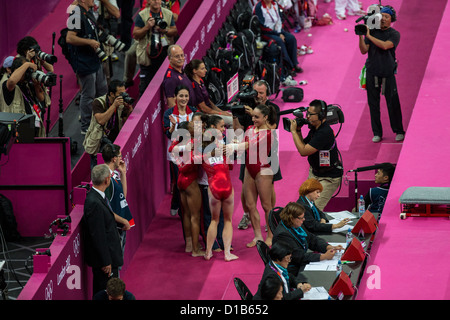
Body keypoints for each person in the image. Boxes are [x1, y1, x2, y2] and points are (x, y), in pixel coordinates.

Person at [237, 80, 281, 231]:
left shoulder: (273, 108)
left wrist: (254, 114)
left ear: (267, 94)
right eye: (256, 92)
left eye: (261, 93)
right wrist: (236, 114)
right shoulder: (246, 108)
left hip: (268, 155)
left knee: (269, 187)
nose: (258, 96)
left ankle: (271, 218)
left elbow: (272, 129)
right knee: (245, 187)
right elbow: (238, 130)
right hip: (250, 154)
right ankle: (247, 214)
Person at [358, 5, 405, 143]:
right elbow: (363, 50)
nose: (383, 19)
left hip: (388, 73)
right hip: (372, 73)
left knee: (393, 103)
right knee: (373, 105)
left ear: (392, 19)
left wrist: (368, 36)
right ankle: (377, 132)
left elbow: (385, 45)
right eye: (381, 16)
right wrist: (361, 36)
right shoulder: (371, 32)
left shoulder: (394, 34)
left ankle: (399, 130)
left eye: (386, 17)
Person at [82, 164, 130, 297]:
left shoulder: (98, 197)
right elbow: (97, 234)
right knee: (105, 293)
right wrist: (105, 261)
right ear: (107, 180)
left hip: (108, 258)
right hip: (105, 263)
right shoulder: (94, 203)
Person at [234, 104, 276, 248]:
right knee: (251, 205)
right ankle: (258, 236)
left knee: (267, 206)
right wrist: (236, 143)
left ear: (265, 118)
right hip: (249, 169)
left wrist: (234, 146)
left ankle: (270, 235)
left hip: (263, 170)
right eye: (253, 116)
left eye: (257, 117)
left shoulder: (268, 133)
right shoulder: (250, 129)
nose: (253, 119)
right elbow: (244, 142)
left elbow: (249, 145)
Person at [290, 99, 343, 211]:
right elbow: (304, 144)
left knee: (314, 210)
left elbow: (303, 151)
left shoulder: (324, 132)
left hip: (329, 177)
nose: (307, 116)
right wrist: (298, 130)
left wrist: (294, 132)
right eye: (307, 113)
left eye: (310, 114)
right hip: (314, 173)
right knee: (304, 207)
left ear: (321, 115)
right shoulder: (315, 128)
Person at [66, 0, 108, 135]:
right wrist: (89, 42)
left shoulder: (87, 12)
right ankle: (85, 126)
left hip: (95, 59)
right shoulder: (75, 13)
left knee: (102, 90)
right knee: (88, 95)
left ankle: (102, 120)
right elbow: (70, 38)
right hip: (84, 62)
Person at [162, 85, 197, 247]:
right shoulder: (169, 114)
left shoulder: (194, 112)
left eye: (186, 96)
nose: (184, 99)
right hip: (176, 155)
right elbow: (169, 134)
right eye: (181, 96)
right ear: (175, 97)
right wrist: (173, 126)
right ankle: (178, 205)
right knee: (179, 182)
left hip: (193, 153)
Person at [272, 202, 343, 277]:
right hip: (292, 268)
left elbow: (311, 239)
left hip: (300, 261)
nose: (304, 219)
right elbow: (297, 256)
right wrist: (323, 257)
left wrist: (328, 247)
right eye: (301, 218)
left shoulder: (295, 225)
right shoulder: (283, 235)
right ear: (292, 218)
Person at [201, 126, 238, 262]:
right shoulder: (223, 151)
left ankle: (208, 252)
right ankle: (227, 254)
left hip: (213, 188)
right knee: (227, 220)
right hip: (227, 187)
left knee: (214, 220)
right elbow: (230, 166)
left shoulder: (203, 154)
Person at [169, 121, 204, 257]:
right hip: (191, 181)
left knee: (186, 214)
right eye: (192, 128)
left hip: (181, 180)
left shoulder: (177, 144)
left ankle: (189, 245)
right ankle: (195, 250)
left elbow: (171, 150)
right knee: (195, 216)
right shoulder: (193, 143)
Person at [84, 79, 133, 168]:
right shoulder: (98, 102)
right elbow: (101, 120)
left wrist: (128, 111)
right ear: (111, 94)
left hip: (114, 143)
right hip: (99, 143)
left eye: (124, 93)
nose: (122, 96)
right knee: (99, 172)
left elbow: (125, 123)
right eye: (120, 94)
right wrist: (114, 105)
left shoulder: (121, 103)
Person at [133, 0, 177, 97]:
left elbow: (174, 31)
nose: (156, 1)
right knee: (144, 87)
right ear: (148, 1)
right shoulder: (142, 15)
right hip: (147, 56)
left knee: (167, 84)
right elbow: (135, 34)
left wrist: (164, 30)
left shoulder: (168, 13)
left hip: (164, 53)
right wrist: (147, 27)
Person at [254, 0, 302, 86]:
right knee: (279, 41)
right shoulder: (258, 8)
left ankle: (294, 64)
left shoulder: (275, 4)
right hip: (266, 33)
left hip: (278, 31)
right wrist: (277, 34)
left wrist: (280, 32)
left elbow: (280, 19)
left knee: (291, 38)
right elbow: (261, 26)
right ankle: (287, 67)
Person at [0, 56, 46, 137]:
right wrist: (27, 64)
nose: (28, 72)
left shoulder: (27, 84)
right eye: (26, 70)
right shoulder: (8, 85)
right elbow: (12, 81)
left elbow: (41, 98)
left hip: (33, 126)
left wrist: (36, 85)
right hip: (19, 131)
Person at [101, 143, 134, 255]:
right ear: (114, 159)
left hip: (121, 225)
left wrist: (123, 173)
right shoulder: (106, 179)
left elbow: (122, 197)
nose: (121, 158)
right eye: (120, 156)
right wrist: (123, 221)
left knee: (119, 261)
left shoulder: (114, 174)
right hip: (114, 227)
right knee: (115, 264)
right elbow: (106, 209)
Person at [184, 59, 233, 127]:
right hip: (205, 115)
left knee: (234, 116)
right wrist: (220, 113)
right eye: (202, 69)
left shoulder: (201, 81)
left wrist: (221, 111)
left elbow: (209, 101)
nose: (206, 70)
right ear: (195, 71)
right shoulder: (195, 86)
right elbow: (203, 108)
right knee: (232, 121)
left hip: (211, 111)